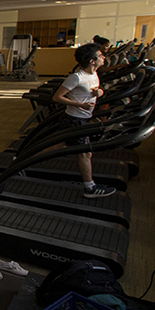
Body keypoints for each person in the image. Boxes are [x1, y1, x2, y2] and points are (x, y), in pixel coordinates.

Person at [52, 42, 115, 198]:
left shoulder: (94, 74)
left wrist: (99, 92)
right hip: (74, 119)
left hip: (83, 118)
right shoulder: (76, 77)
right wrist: (79, 104)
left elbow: (95, 90)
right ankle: (89, 188)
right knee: (85, 154)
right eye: (100, 55)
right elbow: (57, 97)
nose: (104, 57)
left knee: (60, 145)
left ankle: (22, 160)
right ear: (92, 61)